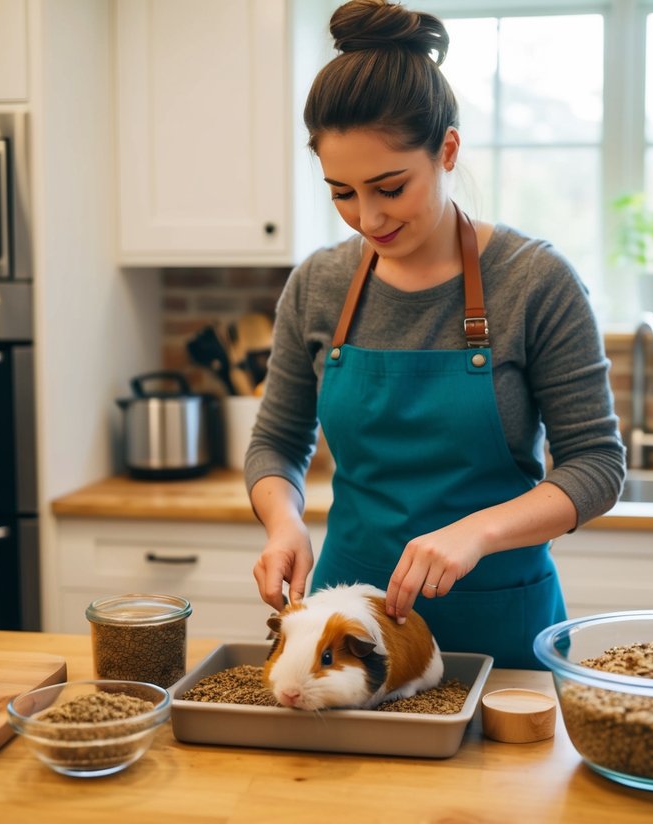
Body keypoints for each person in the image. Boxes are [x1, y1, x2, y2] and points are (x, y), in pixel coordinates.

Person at [244, 0, 625, 669]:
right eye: (341, 191)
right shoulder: (319, 284)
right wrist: (283, 524)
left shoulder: (534, 281)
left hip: (499, 621)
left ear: (447, 150)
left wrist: (478, 532)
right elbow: (276, 441)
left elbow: (597, 466)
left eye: (389, 187)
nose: (366, 217)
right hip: (348, 636)